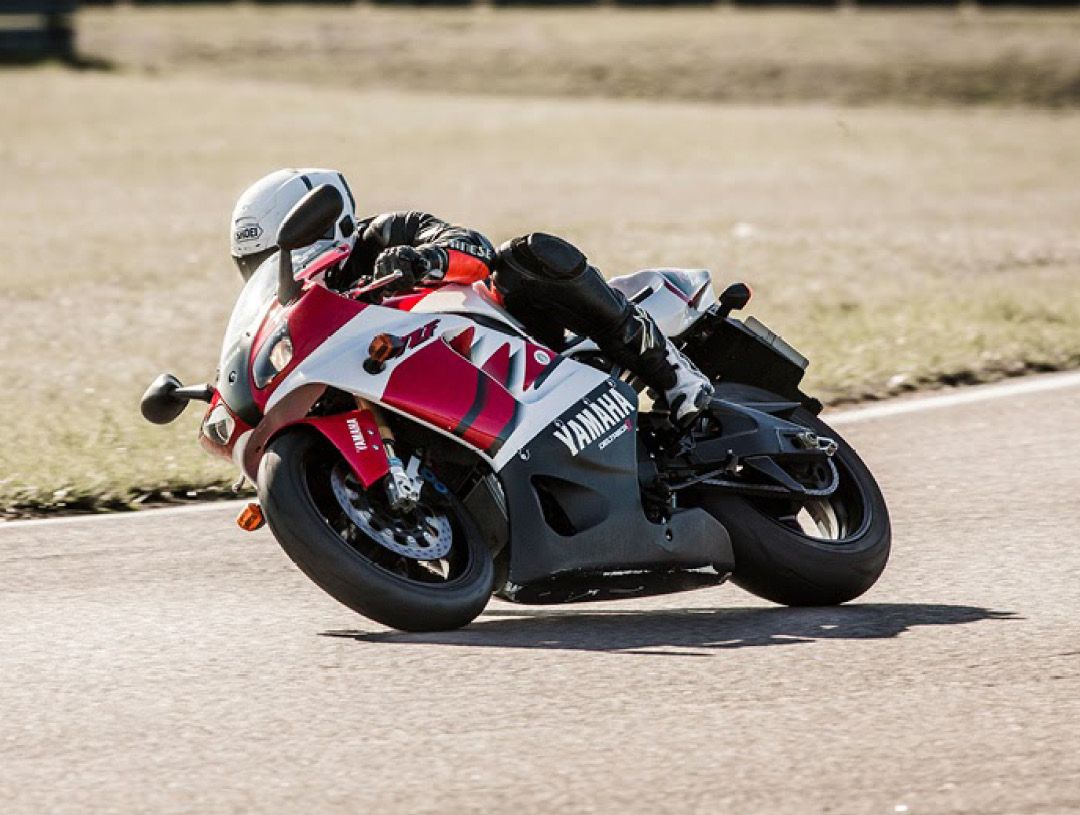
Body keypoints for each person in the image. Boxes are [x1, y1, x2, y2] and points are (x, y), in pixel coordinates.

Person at [230, 169, 713, 424]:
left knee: (526, 257)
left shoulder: (384, 233)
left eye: (278, 252)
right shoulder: (300, 314)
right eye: (258, 264)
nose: (273, 269)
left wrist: (422, 262)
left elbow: (473, 247)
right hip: (430, 390)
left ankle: (672, 372)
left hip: (513, 342)